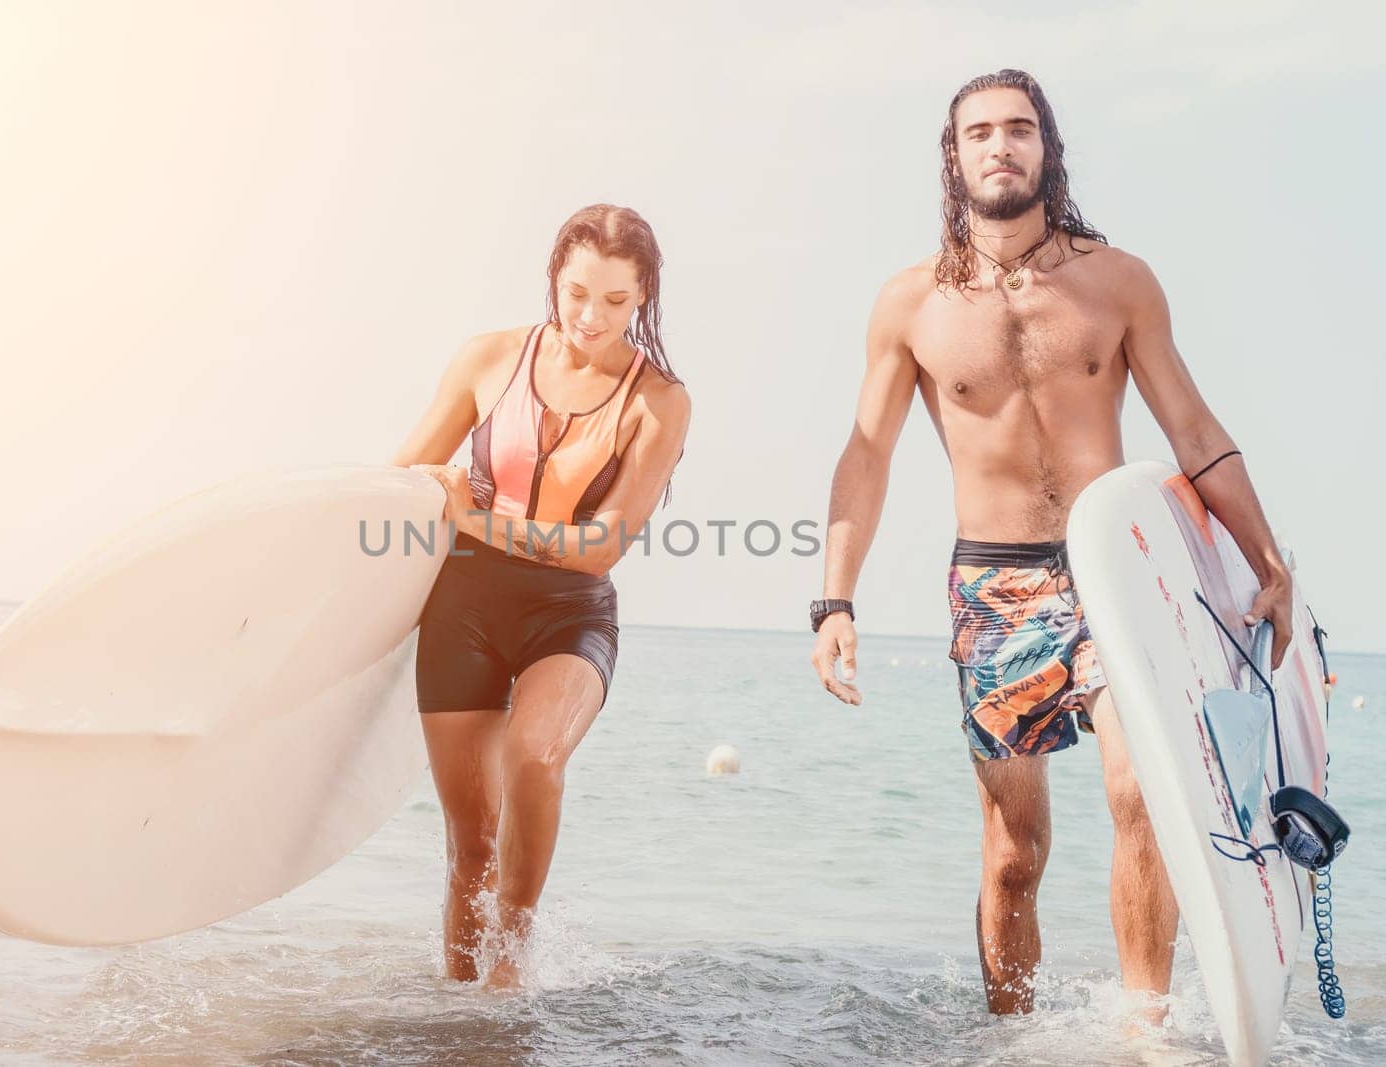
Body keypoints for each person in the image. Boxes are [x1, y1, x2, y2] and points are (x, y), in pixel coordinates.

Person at [808, 69, 1293, 1015]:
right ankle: (1011, 1034)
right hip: (992, 588)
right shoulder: (910, 305)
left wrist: (1268, 558)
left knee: (1139, 793)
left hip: (1112, 572)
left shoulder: (1117, 283)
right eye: (979, 132)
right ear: (953, 156)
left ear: (1047, 147)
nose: (1000, 146)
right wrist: (834, 599)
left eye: (1019, 129)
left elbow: (1193, 431)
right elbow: (866, 456)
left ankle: (1141, 1030)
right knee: (1013, 849)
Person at [392, 204, 691, 988]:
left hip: (571, 611)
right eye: (577, 293)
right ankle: (459, 1018)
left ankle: (510, 974)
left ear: (644, 297)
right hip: (462, 608)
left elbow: (603, 546)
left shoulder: (658, 401)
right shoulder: (488, 358)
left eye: (616, 302)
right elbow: (403, 475)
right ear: (554, 280)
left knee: (536, 753)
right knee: (470, 846)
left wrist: (480, 520)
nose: (591, 318)